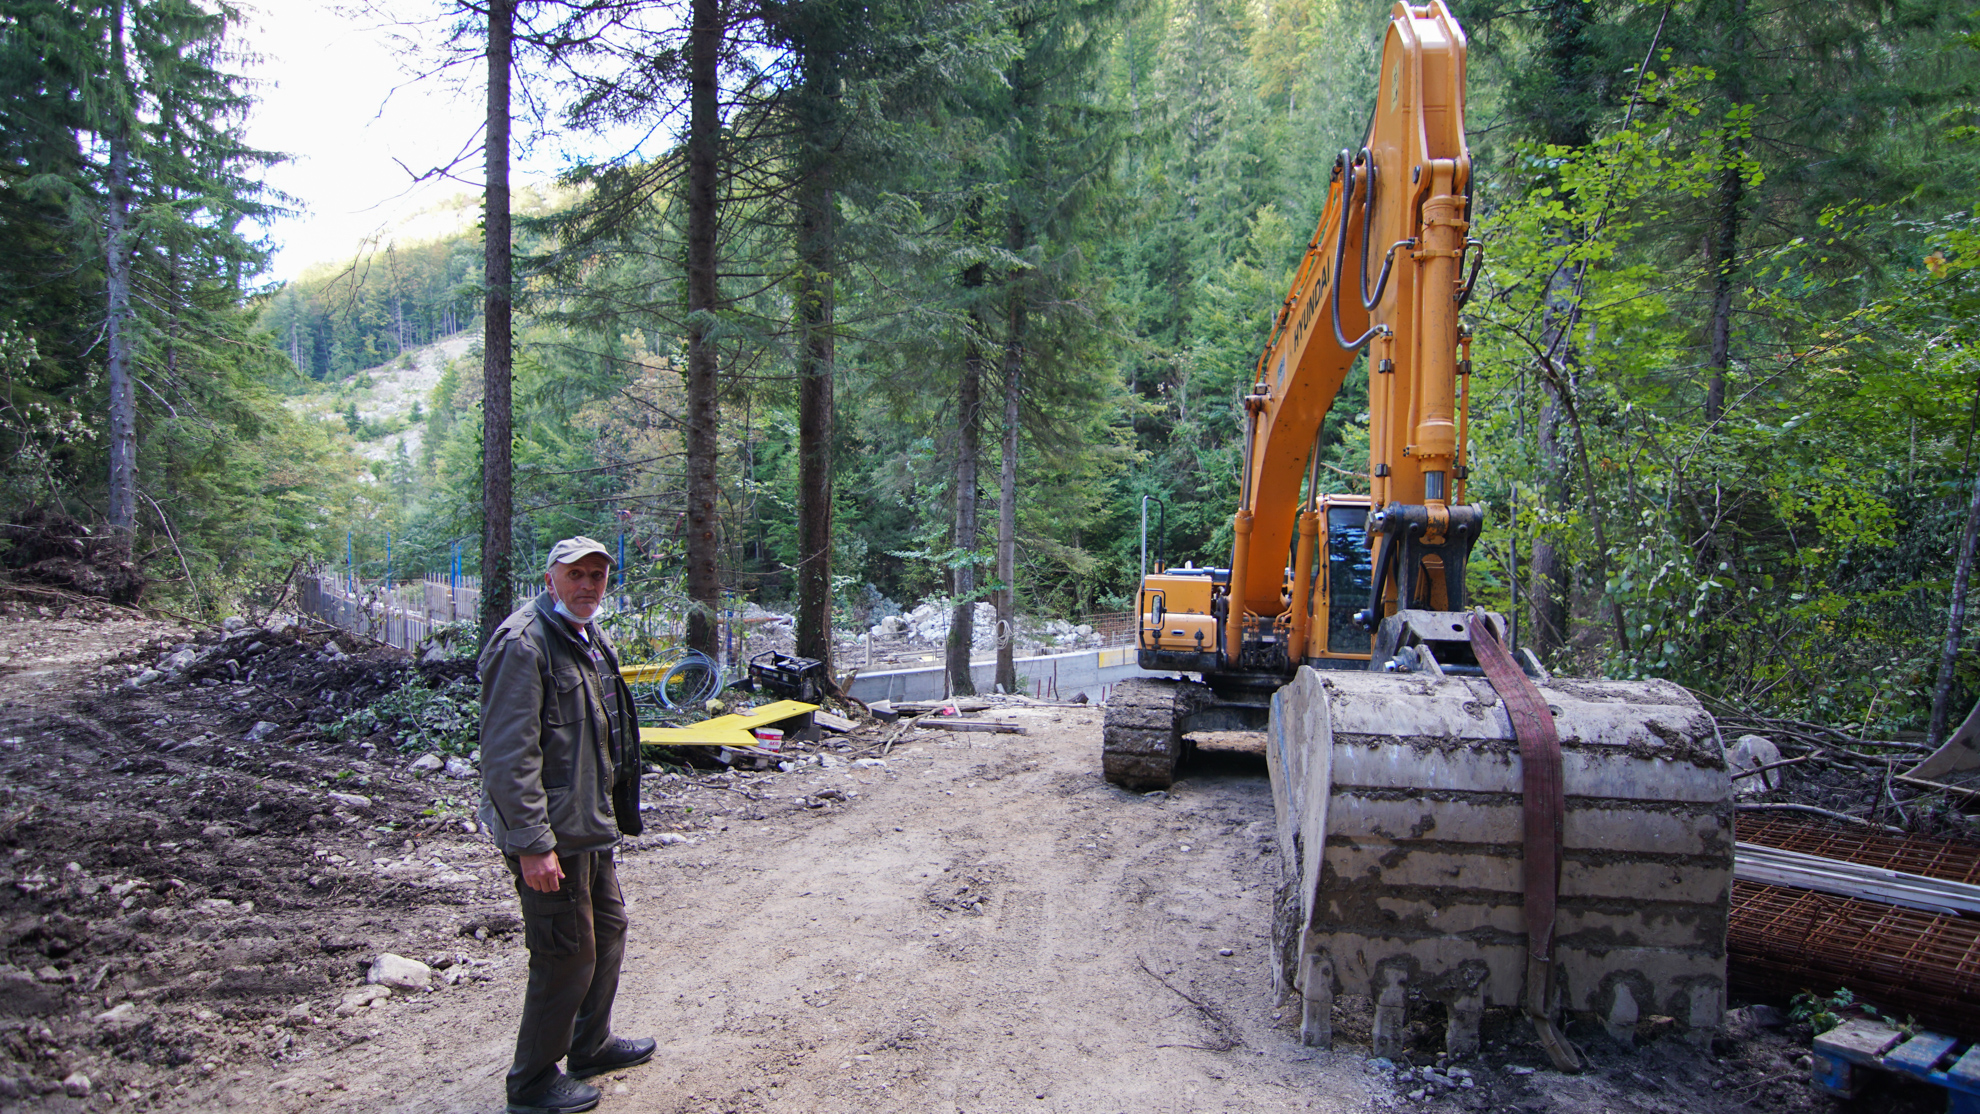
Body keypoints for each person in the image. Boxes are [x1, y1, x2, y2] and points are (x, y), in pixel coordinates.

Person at [479, 537, 654, 1114]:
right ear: (550, 578)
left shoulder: (584, 632)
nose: (587, 585)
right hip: (548, 833)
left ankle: (590, 1044)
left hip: (588, 824)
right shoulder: (523, 644)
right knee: (564, 951)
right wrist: (532, 844)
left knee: (607, 931)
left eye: (598, 576)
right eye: (575, 575)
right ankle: (531, 1082)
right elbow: (509, 757)